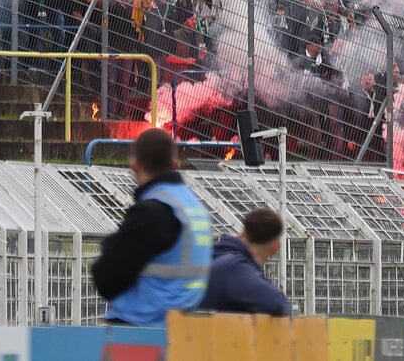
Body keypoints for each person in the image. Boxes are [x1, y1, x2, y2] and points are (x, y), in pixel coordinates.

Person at [92, 128, 212, 327]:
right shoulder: (194, 209)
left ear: (135, 166)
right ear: (175, 165)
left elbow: (105, 279)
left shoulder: (152, 212)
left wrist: (111, 244)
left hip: (138, 332)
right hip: (183, 332)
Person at [198, 207, 291, 316]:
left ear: (241, 234)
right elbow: (277, 305)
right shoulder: (234, 269)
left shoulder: (211, 256)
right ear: (276, 247)